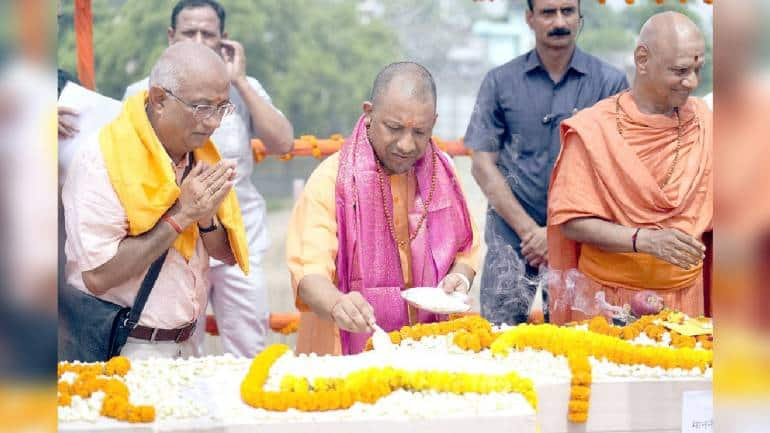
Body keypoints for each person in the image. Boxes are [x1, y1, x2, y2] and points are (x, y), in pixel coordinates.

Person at [124, 0, 294, 357]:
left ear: (225, 40)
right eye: (189, 33)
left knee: (250, 346)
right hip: (172, 241)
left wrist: (240, 82)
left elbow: (283, 143)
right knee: (179, 345)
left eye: (208, 34)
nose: (199, 40)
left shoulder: (243, 90)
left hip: (238, 239)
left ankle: (247, 412)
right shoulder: (145, 94)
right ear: (172, 37)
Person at [62, 41, 250, 360]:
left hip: (187, 344)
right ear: (160, 99)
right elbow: (97, 277)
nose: (214, 122)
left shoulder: (201, 155)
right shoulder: (104, 159)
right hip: (124, 345)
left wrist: (204, 218)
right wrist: (182, 215)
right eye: (203, 107)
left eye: (222, 107)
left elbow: (224, 253)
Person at [286, 62, 480, 355]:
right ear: (369, 113)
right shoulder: (332, 179)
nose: (406, 144)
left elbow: (467, 248)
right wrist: (338, 304)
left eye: (420, 132)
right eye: (394, 128)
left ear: (433, 123)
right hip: (346, 353)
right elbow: (309, 276)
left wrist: (460, 277)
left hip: (428, 349)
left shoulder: (444, 174)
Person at [465, 0, 628, 325]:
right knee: (499, 338)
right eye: (548, 12)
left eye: (568, 11)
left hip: (581, 236)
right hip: (513, 238)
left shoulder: (610, 83)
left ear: (580, 18)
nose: (559, 21)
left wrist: (555, 235)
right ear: (530, 18)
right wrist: (531, 232)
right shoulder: (500, 81)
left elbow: (615, 169)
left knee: (582, 339)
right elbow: (482, 164)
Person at [547, 12, 712, 323]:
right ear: (642, 59)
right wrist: (645, 240)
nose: (692, 82)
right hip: (607, 301)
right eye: (680, 70)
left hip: (685, 302)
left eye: (697, 69)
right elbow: (571, 221)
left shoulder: (705, 123)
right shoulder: (594, 130)